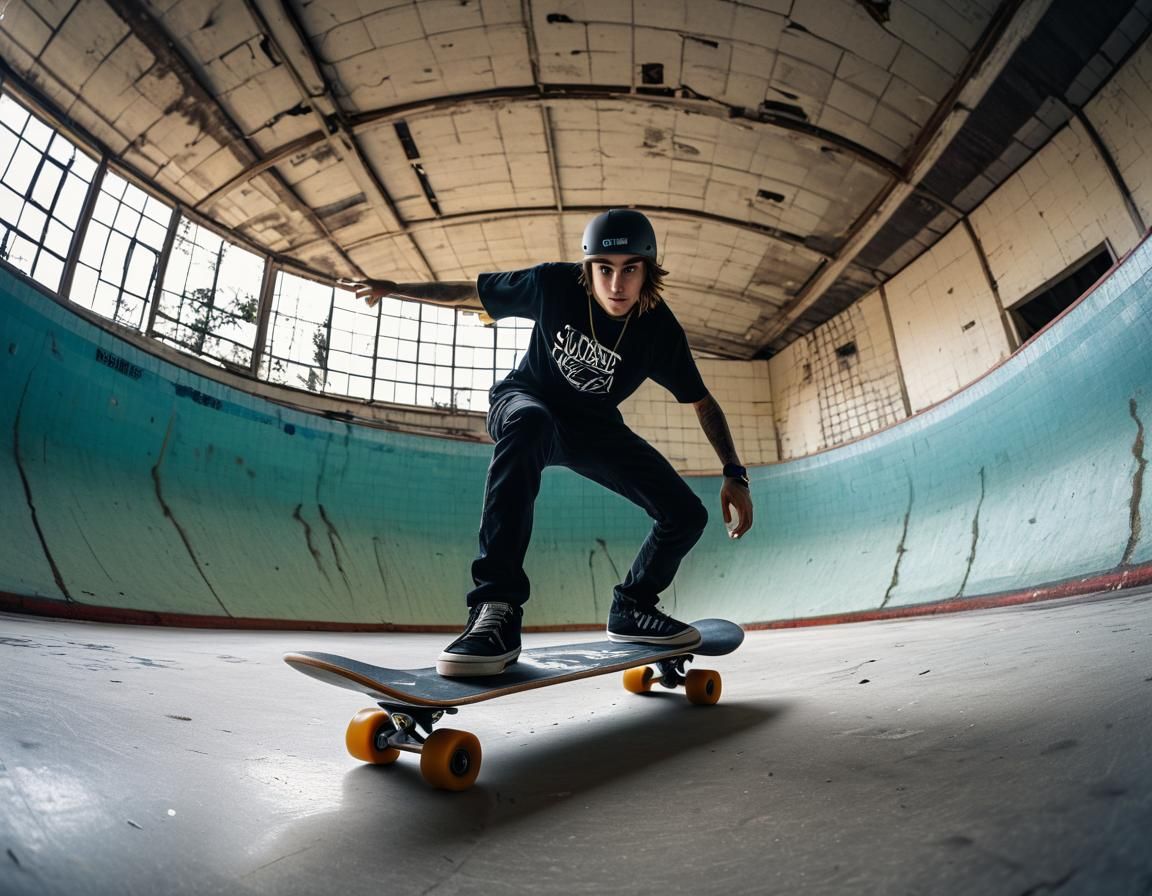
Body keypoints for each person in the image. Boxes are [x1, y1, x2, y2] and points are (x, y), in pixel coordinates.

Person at [356, 209, 753, 677]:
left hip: (593, 427)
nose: (616, 285)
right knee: (530, 423)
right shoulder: (552, 284)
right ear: (589, 269)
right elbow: (471, 292)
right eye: (604, 269)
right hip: (526, 401)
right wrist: (394, 288)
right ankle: (495, 609)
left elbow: (703, 402)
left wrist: (734, 472)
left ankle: (633, 606)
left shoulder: (659, 331)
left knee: (687, 514)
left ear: (648, 271)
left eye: (630, 269)